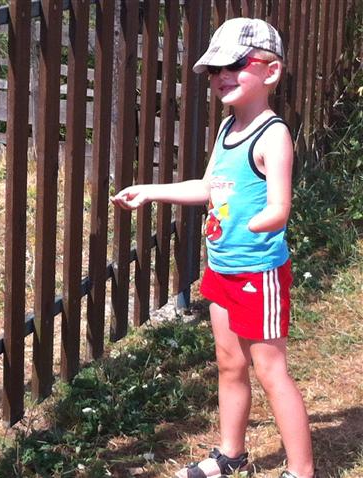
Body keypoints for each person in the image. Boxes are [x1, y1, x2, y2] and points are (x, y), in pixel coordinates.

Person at [110, 17, 316, 478]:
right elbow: (209, 188)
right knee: (228, 362)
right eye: (215, 70)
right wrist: (150, 190)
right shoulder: (226, 130)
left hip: (258, 272)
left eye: (235, 65)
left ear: (271, 71)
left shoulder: (272, 134)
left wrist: (266, 219)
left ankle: (302, 471)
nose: (222, 76)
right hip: (221, 269)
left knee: (270, 370)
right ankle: (230, 455)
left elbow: (280, 204)